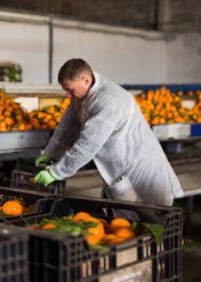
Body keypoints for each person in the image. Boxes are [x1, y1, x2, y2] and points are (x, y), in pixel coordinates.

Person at [34, 58, 183, 206]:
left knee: (152, 217)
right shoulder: (80, 98)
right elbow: (67, 128)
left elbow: (87, 145)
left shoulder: (109, 99)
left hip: (139, 168)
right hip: (117, 169)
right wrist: (50, 152)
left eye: (70, 90)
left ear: (85, 80)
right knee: (123, 221)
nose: (67, 95)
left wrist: (56, 172)